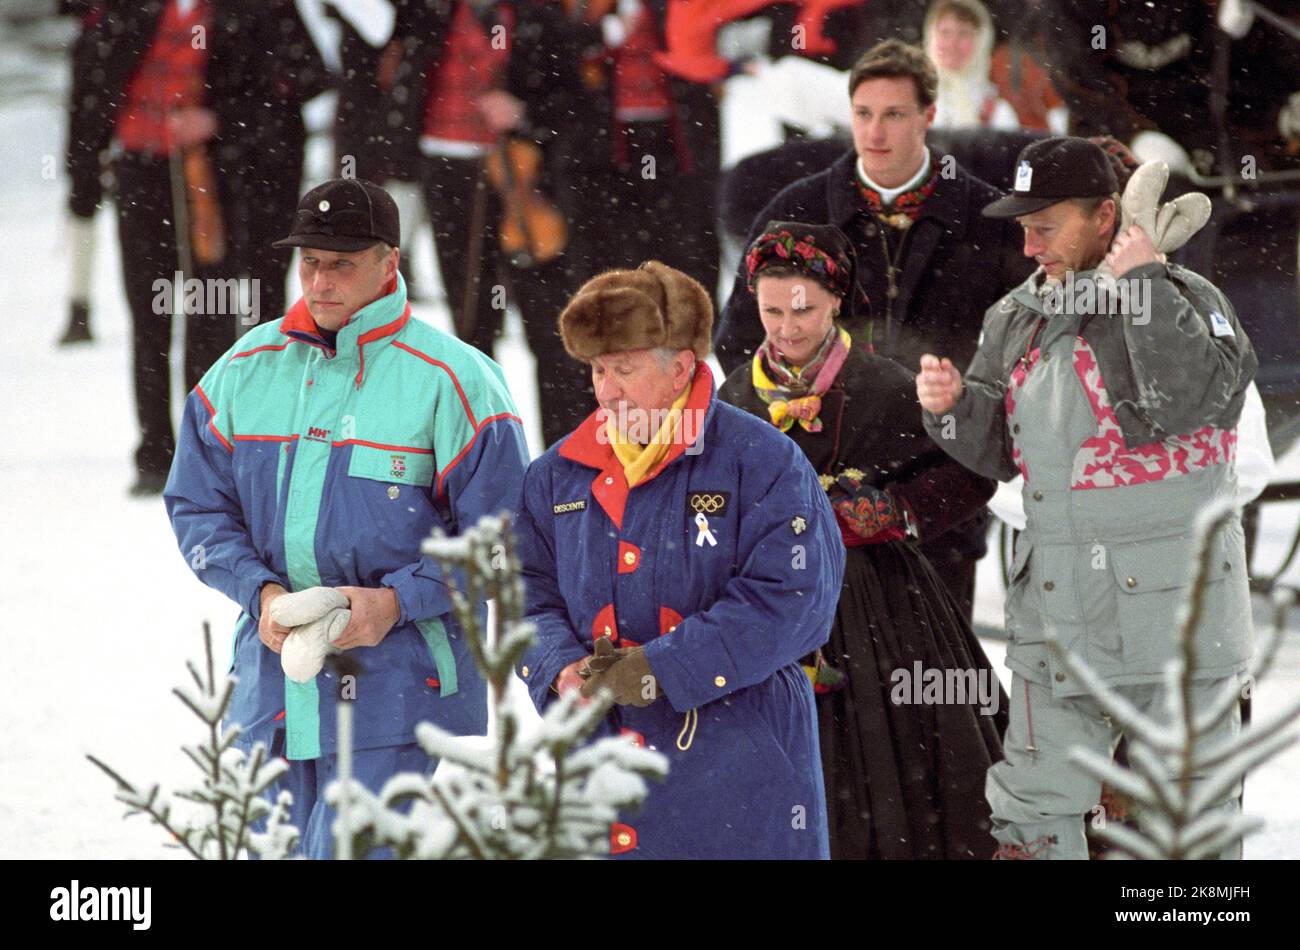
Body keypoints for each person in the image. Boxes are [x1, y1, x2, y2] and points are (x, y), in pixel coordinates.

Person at [164, 178, 530, 858]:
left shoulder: (456, 380)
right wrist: (259, 590)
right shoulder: (243, 370)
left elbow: (505, 542)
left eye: (342, 263)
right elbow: (194, 504)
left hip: (397, 691)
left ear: (390, 262)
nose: (321, 280)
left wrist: (395, 603)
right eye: (310, 262)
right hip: (270, 691)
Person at [916, 137, 1258, 859]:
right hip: (1057, 617)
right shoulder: (1016, 315)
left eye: (1047, 222)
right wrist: (952, 409)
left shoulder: (1189, 299)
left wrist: (1147, 285)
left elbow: (1191, 399)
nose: (1028, 239)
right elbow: (1003, 454)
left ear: (1106, 216)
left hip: (1178, 625)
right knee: (1033, 817)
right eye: (1022, 222)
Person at [514, 260, 845, 859]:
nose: (606, 391)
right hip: (600, 770)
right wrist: (559, 666)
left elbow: (794, 602)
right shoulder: (554, 476)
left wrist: (661, 668)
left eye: (625, 369)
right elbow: (524, 597)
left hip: (741, 767)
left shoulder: (764, 461)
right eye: (597, 370)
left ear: (681, 368)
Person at [715, 38, 1032, 620]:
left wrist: (977, 417)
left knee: (934, 682)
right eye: (863, 114)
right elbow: (737, 336)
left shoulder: (988, 220)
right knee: (825, 687)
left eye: (894, 114)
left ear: (929, 116)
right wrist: (797, 416)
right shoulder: (800, 210)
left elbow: (1031, 342)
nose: (875, 132)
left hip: (940, 491)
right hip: (808, 491)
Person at [718, 221, 1005, 859]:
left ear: (837, 302)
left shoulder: (888, 389)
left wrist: (894, 509)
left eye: (804, 310)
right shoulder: (735, 396)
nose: (786, 328)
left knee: (888, 753)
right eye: (771, 310)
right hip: (769, 606)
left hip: (881, 608)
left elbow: (970, 473)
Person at [86, 0, 329, 495]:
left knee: (210, 315)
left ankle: (206, 454)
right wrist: (84, 175)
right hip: (142, 174)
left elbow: (303, 82)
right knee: (149, 311)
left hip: (217, 181)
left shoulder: (260, 10)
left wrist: (218, 118)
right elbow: (93, 86)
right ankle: (154, 449)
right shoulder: (131, 10)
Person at [923, 0, 1019, 131]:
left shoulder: (997, 113)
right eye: (945, 32)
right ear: (931, 37)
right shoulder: (914, 102)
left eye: (963, 34)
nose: (952, 44)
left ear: (982, 42)